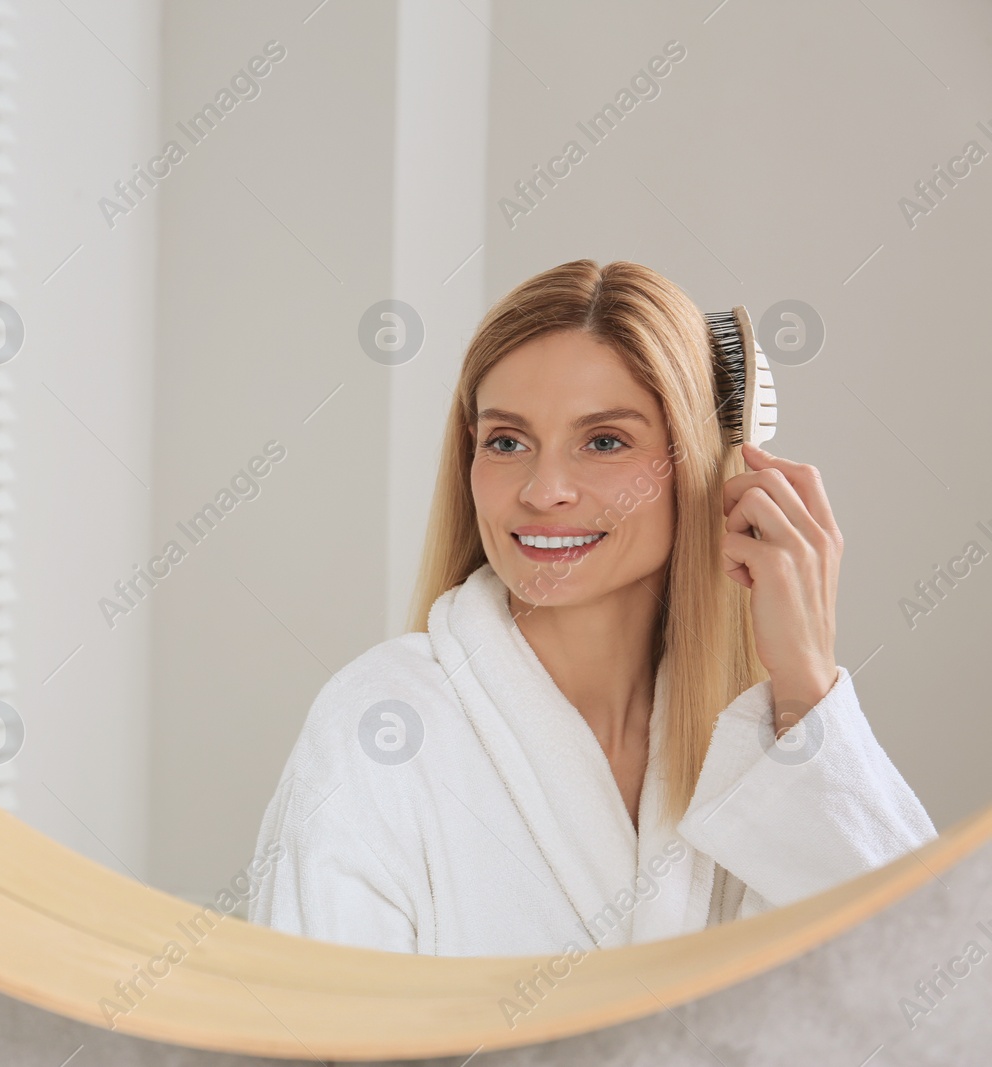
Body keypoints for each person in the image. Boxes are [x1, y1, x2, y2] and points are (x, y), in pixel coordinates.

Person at [246, 259, 936, 956]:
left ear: (698, 463)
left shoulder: (764, 747)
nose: (544, 490)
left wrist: (809, 692)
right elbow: (318, 1036)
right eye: (507, 441)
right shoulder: (381, 728)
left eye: (604, 441)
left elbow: (920, 985)